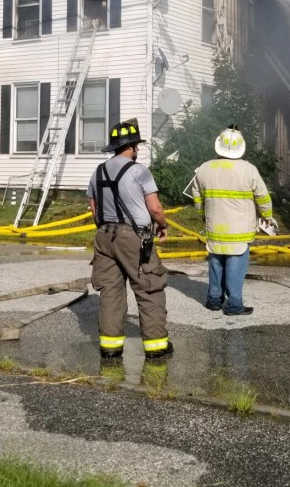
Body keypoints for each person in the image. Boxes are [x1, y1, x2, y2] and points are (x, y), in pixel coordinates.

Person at [87, 118, 171, 360]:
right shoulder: (139, 171)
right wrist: (163, 225)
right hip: (134, 237)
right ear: (132, 147)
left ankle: (110, 347)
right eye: (137, 146)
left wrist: (105, 229)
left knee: (111, 291)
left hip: (104, 237)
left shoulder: (98, 171)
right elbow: (155, 208)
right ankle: (156, 346)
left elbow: (93, 207)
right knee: (149, 287)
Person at [191, 125, 275, 316]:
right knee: (236, 266)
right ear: (241, 148)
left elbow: (196, 195)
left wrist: (202, 213)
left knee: (215, 263)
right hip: (239, 231)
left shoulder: (205, 168)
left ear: (218, 146)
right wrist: (267, 216)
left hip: (215, 228)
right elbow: (263, 196)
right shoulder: (248, 170)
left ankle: (214, 300)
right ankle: (234, 305)